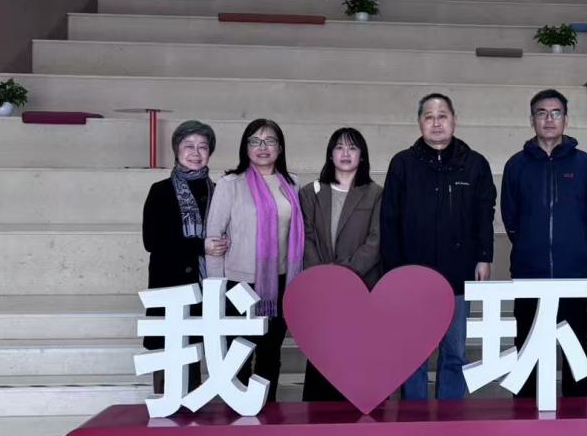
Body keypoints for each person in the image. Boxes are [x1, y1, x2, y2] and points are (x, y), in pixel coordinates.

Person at [381, 93, 496, 400]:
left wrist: (484, 256)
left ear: (454, 121)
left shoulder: (475, 164)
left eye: (442, 116)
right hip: (412, 276)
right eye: (429, 117)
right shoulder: (403, 164)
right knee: (413, 354)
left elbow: (484, 214)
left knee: (455, 352)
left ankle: (451, 415)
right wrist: (394, 271)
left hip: (458, 273)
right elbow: (389, 220)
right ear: (419, 123)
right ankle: (414, 416)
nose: (436, 123)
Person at [502, 88, 587, 399]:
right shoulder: (516, 165)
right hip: (529, 273)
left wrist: (575, 247)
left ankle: (576, 414)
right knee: (527, 348)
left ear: (566, 120)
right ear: (531, 120)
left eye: (555, 113)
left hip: (572, 273)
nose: (549, 119)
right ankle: (525, 416)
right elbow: (510, 218)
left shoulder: (585, 164)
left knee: (574, 352)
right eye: (542, 113)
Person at [205, 118, 303, 403]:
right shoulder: (230, 184)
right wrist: (216, 288)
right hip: (240, 283)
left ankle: (266, 411)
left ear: (280, 147)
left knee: (270, 353)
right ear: (245, 147)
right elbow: (214, 239)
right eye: (255, 141)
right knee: (240, 353)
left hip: (281, 282)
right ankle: (240, 412)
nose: (262, 147)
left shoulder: (291, 184)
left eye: (269, 140)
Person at [298, 127, 383, 402]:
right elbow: (306, 237)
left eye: (352, 148)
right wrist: (323, 277)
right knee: (322, 357)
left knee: (357, 357)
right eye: (339, 147)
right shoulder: (310, 193)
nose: (345, 153)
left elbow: (375, 241)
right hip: (322, 290)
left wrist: (343, 276)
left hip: (361, 287)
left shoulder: (375, 194)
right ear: (330, 154)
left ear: (362, 155)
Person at [141, 120, 224, 396]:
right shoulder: (160, 190)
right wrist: (200, 247)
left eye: (203, 147)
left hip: (207, 286)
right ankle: (168, 409)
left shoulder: (220, 191)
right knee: (170, 354)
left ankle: (193, 410)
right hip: (171, 285)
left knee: (196, 350)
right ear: (176, 150)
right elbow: (152, 240)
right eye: (189, 146)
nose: (196, 153)